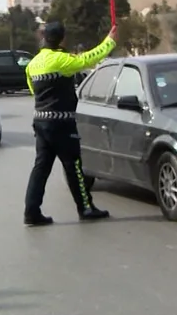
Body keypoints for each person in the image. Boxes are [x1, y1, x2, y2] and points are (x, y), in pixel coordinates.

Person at [23, 21, 117, 226]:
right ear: (62, 39)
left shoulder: (33, 64)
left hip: (40, 122)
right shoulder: (61, 60)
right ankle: (85, 208)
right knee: (74, 166)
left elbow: (33, 90)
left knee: (41, 168)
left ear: (44, 38)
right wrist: (110, 41)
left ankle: (31, 211)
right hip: (62, 124)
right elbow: (90, 58)